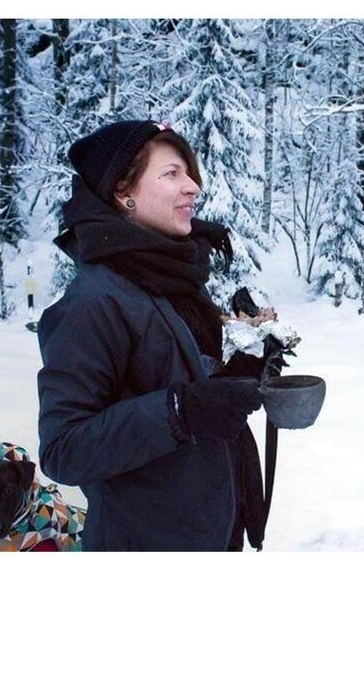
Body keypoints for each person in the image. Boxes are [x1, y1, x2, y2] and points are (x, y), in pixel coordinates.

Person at [36, 120, 277, 551]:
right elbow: (64, 450)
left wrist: (243, 369)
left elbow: (182, 381)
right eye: (171, 174)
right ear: (122, 192)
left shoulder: (173, 277)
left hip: (211, 530)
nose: (193, 187)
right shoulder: (93, 301)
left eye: (189, 173)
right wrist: (180, 411)